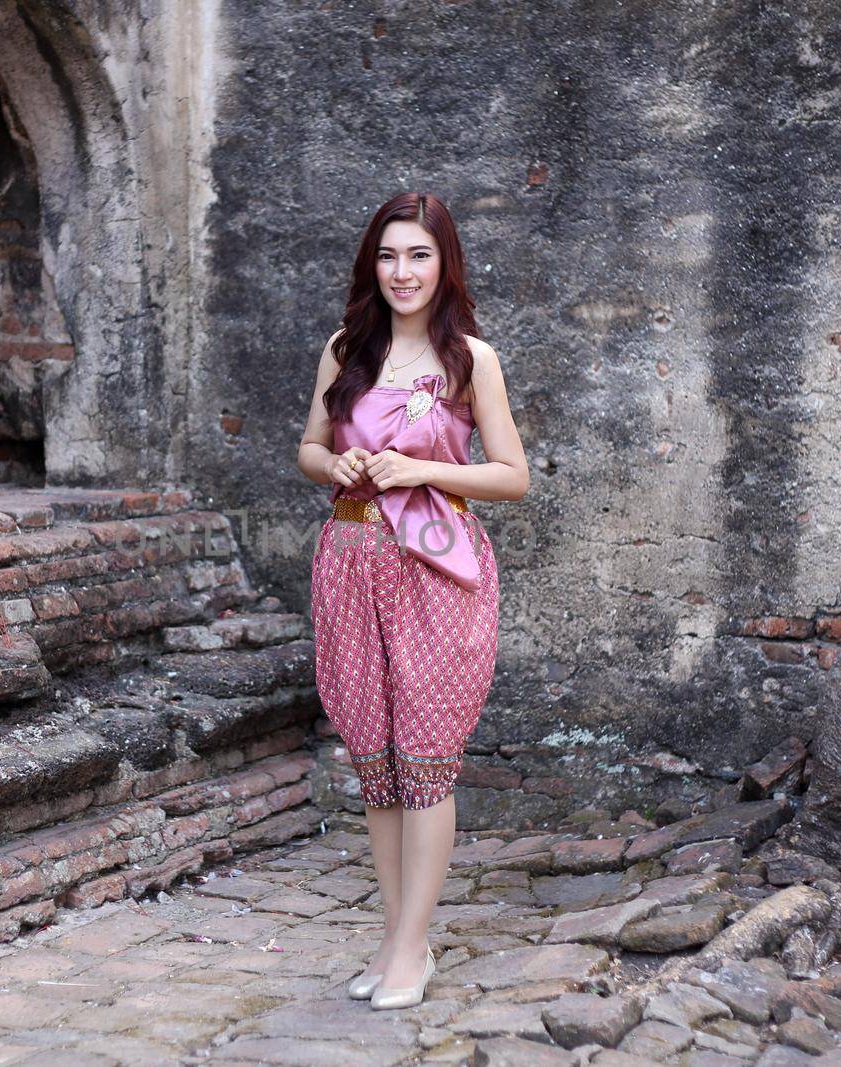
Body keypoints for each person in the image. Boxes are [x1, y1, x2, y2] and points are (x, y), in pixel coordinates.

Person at [295, 191, 530, 1010]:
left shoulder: (472, 359)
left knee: (426, 760)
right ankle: (401, 943)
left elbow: (512, 475)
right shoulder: (344, 348)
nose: (403, 272)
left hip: (437, 568)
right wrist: (341, 469)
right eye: (389, 256)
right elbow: (309, 447)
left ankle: (407, 952)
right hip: (353, 559)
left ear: (444, 264)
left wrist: (421, 468)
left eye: (419, 256)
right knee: (378, 764)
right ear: (373, 264)